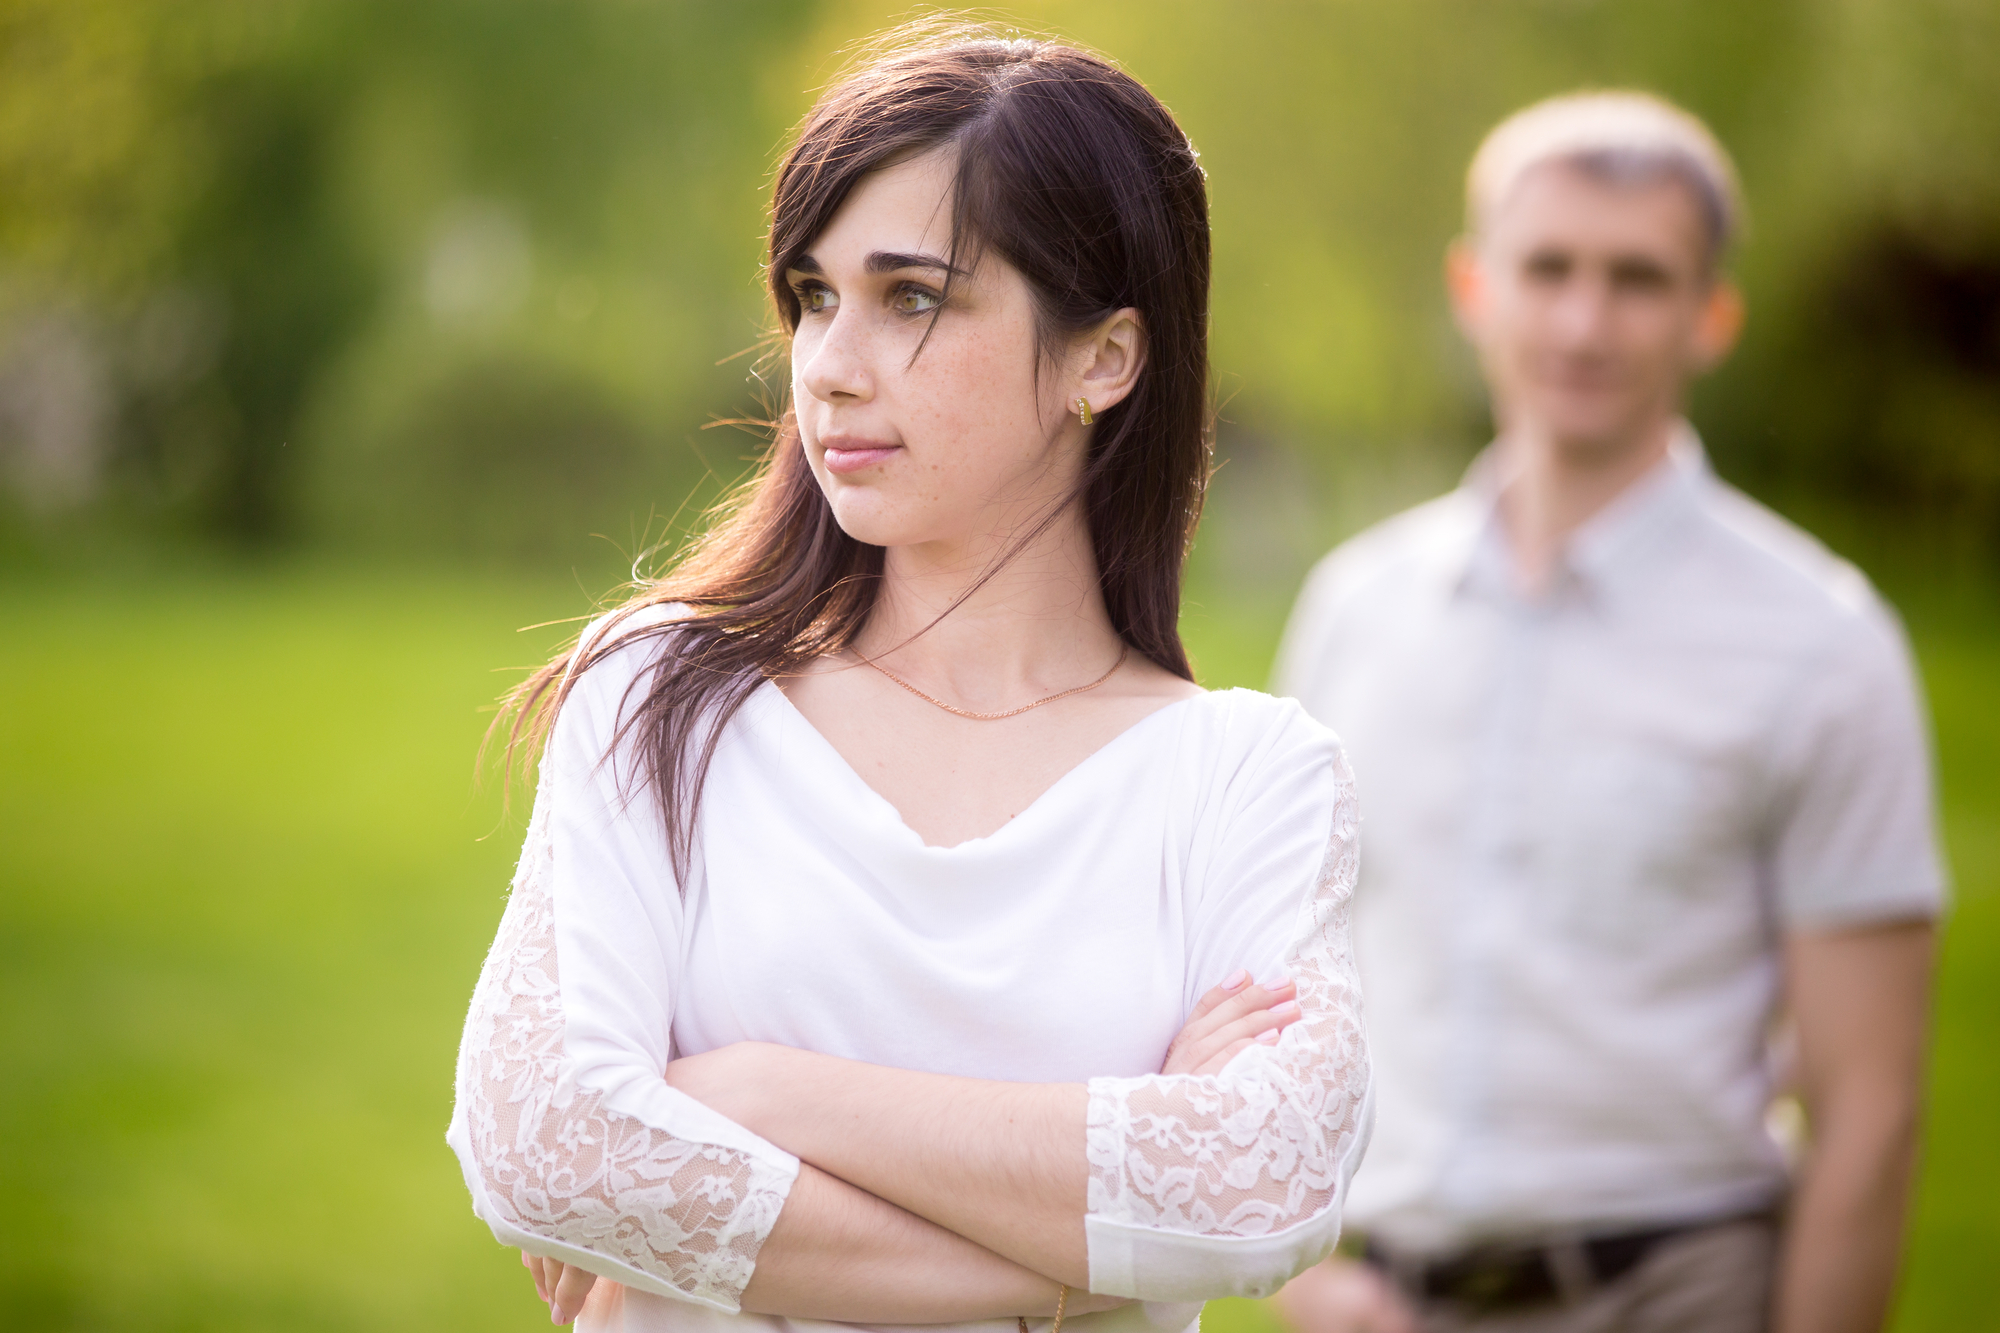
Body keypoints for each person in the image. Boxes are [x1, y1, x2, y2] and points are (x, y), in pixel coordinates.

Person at [446, 27, 1373, 1333]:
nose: (828, 364)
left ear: (1105, 358)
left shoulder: (1246, 780)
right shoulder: (661, 695)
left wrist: (758, 1093)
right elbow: (545, 1143)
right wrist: (1097, 1244)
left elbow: (1261, 1180)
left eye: (913, 297)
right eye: (814, 296)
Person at [1270, 93, 1943, 1333]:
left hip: (1676, 1295)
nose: (1584, 321)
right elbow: (1280, 982)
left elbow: (1871, 1112)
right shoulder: (1354, 611)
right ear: (1473, 288)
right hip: (1382, 1304)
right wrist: (1307, 1275)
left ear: (1710, 316)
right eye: (1548, 269)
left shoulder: (1821, 646)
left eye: (1636, 278)